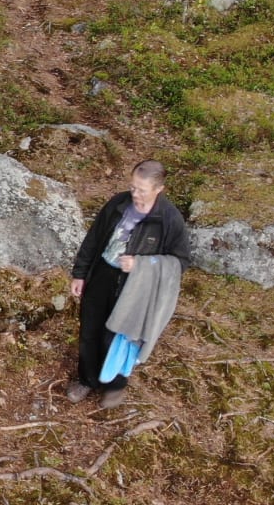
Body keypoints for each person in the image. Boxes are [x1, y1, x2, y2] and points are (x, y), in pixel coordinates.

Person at [68, 160, 191, 410]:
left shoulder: (168, 219)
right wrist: (80, 274)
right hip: (102, 274)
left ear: (159, 189)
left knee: (118, 336)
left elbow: (181, 261)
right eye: (133, 187)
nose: (135, 194)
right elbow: (93, 239)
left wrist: (142, 265)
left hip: (135, 287)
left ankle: (115, 386)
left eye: (141, 189)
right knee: (90, 328)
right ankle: (87, 379)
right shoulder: (118, 203)